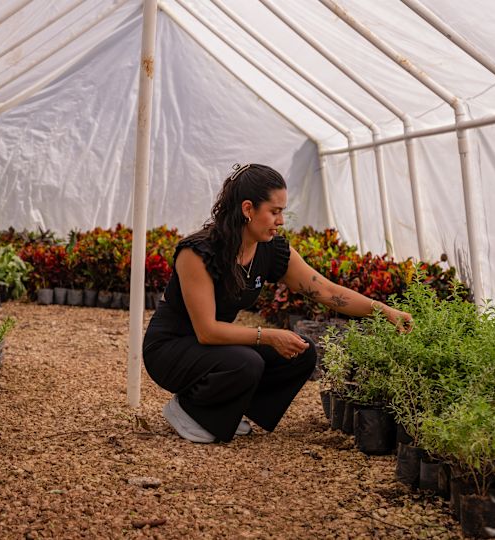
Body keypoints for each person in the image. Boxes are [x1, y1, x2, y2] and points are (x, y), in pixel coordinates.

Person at [142, 163, 413, 444]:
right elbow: (207, 331)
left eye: (282, 211)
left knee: (301, 352)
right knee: (246, 362)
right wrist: (267, 335)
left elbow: (327, 291)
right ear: (248, 209)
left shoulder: (270, 250)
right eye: (274, 211)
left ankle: (224, 411)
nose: (281, 220)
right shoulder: (198, 253)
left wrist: (383, 311)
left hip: (212, 348)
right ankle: (189, 409)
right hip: (171, 349)